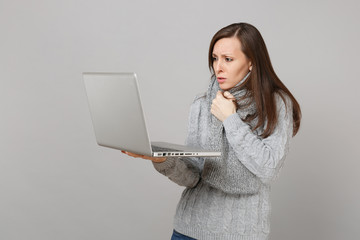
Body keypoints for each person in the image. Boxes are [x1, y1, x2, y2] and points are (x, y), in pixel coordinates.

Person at [122, 22, 301, 240]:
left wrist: (230, 118)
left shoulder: (276, 103)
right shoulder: (202, 104)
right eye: (215, 58)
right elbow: (193, 176)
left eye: (228, 59)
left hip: (242, 233)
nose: (218, 67)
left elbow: (268, 168)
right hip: (188, 229)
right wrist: (162, 161)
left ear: (251, 62)